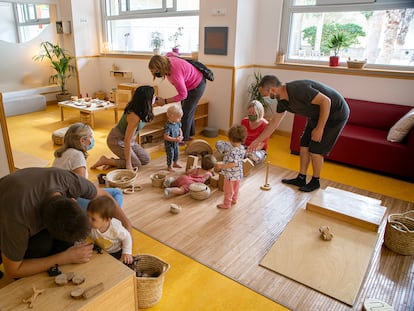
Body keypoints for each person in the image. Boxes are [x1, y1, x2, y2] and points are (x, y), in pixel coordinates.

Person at [0, 167, 132, 279]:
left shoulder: (66, 180)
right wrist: (63, 258)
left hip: (24, 191)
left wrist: (126, 223)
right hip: (7, 204)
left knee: (64, 245)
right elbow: (12, 271)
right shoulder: (17, 221)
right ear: (43, 226)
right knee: (41, 248)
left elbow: (102, 196)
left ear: (74, 201)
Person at [248, 75, 350, 192]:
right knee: (304, 144)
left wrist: (320, 128)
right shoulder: (282, 101)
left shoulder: (298, 90)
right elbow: (274, 123)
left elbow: (326, 101)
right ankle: (301, 178)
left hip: (335, 114)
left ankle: (315, 181)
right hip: (316, 115)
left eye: (264, 94)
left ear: (272, 89)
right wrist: (257, 140)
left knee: (316, 149)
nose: (264, 97)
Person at [52, 122, 123, 210]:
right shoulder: (77, 155)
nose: (92, 139)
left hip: (58, 197)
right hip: (71, 201)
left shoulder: (61, 152)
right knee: (117, 192)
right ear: (82, 140)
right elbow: (82, 186)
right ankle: (108, 219)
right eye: (91, 137)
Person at [91, 86, 155, 170]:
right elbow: (126, 141)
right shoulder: (134, 116)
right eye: (153, 96)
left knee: (145, 159)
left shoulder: (144, 108)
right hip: (117, 140)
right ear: (147, 100)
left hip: (130, 141)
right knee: (136, 164)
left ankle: (115, 162)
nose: (155, 98)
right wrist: (128, 163)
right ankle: (105, 160)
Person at [148, 53, 206, 144]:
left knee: (185, 112)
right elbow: (172, 53)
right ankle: (190, 134)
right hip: (190, 84)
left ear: (161, 67)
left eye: (156, 71)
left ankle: (182, 139)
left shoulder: (175, 75)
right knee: (188, 110)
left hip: (197, 85)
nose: (155, 74)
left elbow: (183, 95)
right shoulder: (167, 57)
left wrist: (165, 101)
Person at [87, 196, 133, 264]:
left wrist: (127, 252)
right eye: (87, 216)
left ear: (106, 220)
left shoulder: (116, 228)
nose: (88, 220)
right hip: (100, 248)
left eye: (93, 219)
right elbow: (83, 234)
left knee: (123, 264)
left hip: (116, 251)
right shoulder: (91, 225)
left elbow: (127, 237)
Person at [214, 125, 247, 209]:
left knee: (228, 190)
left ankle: (226, 204)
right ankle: (234, 200)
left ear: (230, 139)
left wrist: (221, 165)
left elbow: (232, 164)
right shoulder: (242, 148)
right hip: (238, 174)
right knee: (236, 188)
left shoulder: (232, 151)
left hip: (230, 175)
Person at [241, 100, 269, 165]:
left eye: (253, 113)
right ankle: (244, 158)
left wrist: (246, 151)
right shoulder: (244, 121)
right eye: (249, 112)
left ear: (259, 113)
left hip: (257, 150)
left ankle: (245, 157)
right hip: (244, 147)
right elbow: (240, 138)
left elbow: (261, 145)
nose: (250, 115)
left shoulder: (265, 125)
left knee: (253, 156)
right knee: (220, 144)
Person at [164, 104, 184, 171]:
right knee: (170, 154)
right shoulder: (168, 125)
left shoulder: (177, 123)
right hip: (169, 144)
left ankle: (175, 163)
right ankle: (169, 166)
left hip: (176, 142)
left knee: (176, 153)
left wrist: (180, 135)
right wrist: (175, 139)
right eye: (178, 117)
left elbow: (179, 129)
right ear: (171, 116)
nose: (180, 119)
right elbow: (166, 136)